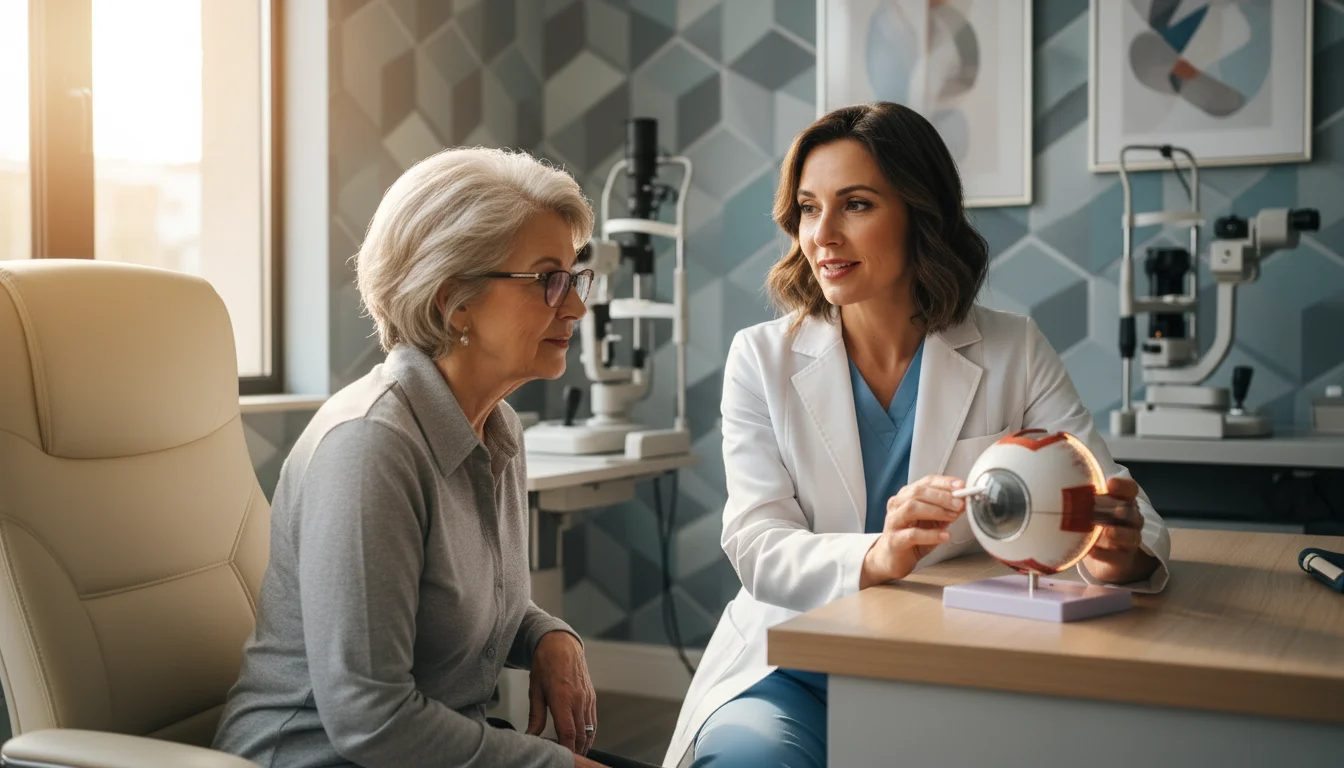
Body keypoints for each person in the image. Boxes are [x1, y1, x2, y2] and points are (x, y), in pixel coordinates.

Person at [661, 103, 1172, 767]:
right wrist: (878, 555)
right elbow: (757, 544)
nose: (824, 235)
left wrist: (1113, 555)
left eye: (857, 205)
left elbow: (1124, 513)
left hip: (956, 667)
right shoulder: (761, 357)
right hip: (792, 665)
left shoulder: (1012, 348)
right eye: (810, 208)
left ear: (920, 215)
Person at [213, 146, 654, 768]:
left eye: (575, 278)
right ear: (455, 300)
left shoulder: (494, 426)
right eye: (549, 280)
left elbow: (465, 602)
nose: (577, 307)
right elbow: (371, 722)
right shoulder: (371, 449)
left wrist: (546, 634)